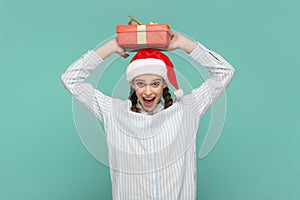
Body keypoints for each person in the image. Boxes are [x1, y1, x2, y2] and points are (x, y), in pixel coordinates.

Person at [61, 32, 235, 199]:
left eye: (155, 83)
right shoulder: (114, 112)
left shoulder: (187, 110)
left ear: (164, 85)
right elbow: (71, 79)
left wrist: (183, 43)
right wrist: (111, 47)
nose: (148, 91)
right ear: (133, 85)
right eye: (140, 83)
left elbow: (224, 72)